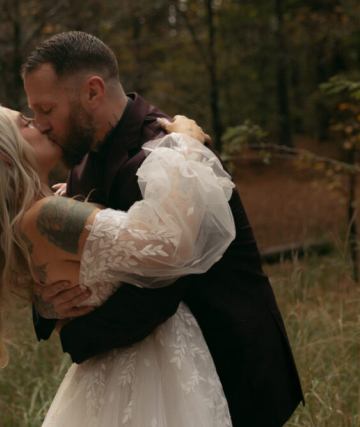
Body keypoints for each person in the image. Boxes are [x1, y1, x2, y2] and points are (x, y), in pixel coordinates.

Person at [22, 31, 304, 426]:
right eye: (33, 112)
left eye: (47, 109)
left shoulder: (169, 153)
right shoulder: (82, 163)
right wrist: (48, 305)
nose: (42, 125)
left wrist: (74, 337)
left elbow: (156, 292)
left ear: (92, 92)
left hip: (226, 365)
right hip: (147, 378)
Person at [0, 103, 236, 425]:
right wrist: (187, 148)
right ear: (5, 155)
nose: (40, 124)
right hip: (149, 371)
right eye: (26, 123)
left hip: (120, 372)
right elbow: (168, 243)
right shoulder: (47, 216)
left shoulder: (29, 218)